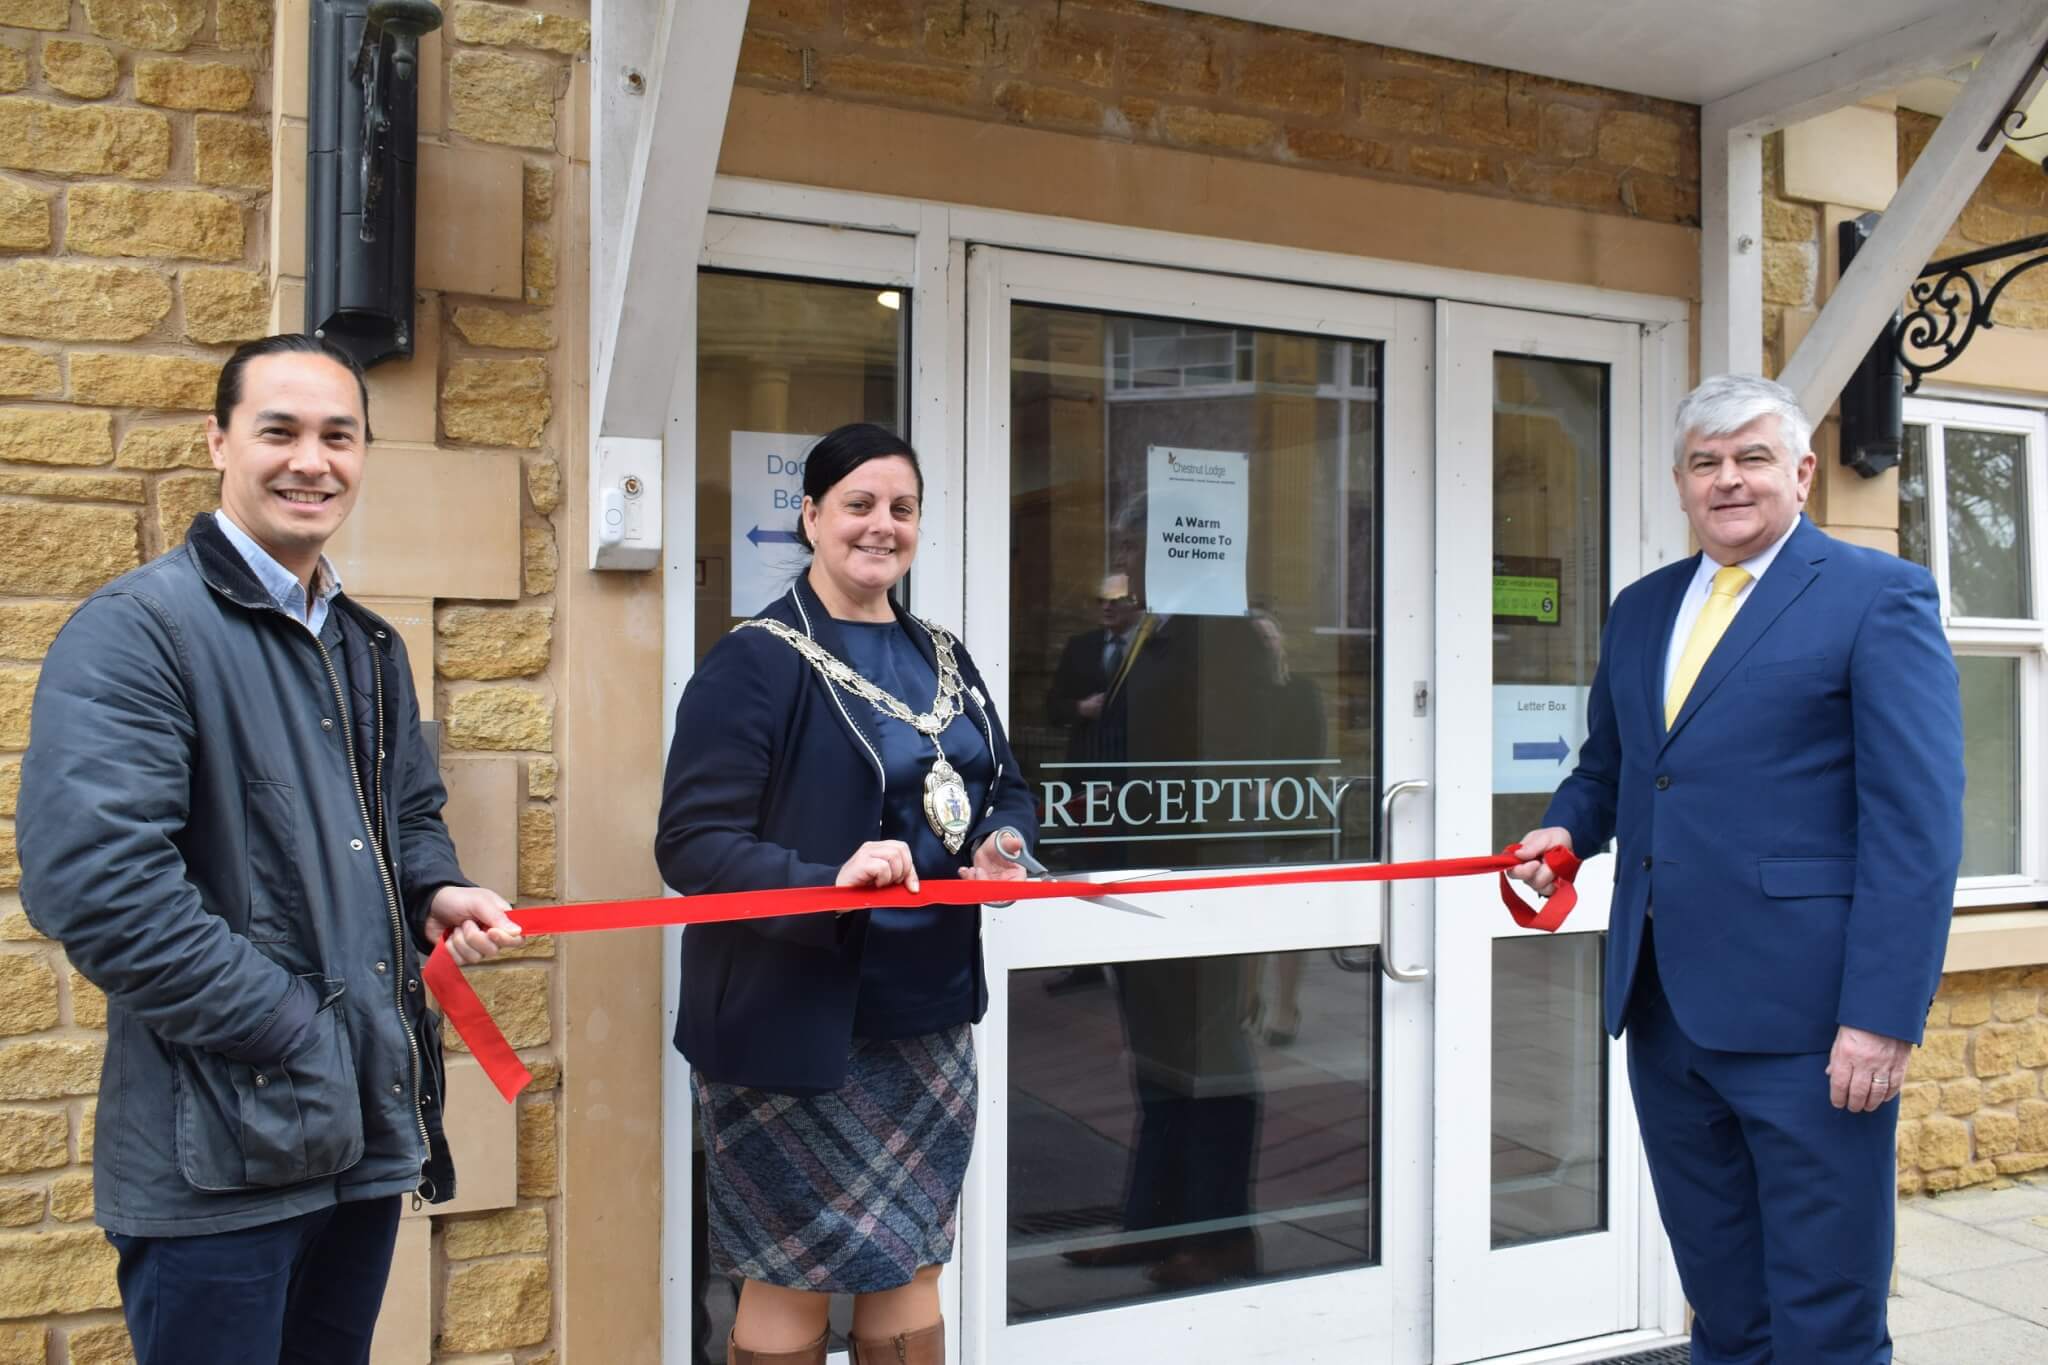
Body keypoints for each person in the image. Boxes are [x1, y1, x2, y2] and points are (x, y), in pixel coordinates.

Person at [15, 334, 522, 1365]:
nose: (311, 461)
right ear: (218, 442)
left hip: (362, 1143)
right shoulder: (138, 632)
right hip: (219, 1164)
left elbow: (404, 816)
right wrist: (297, 1030)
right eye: (278, 431)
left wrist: (435, 887)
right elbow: (100, 890)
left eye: (338, 436)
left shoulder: (364, 643)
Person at [1508, 374, 1963, 1363]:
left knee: (1823, 1314)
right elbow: (1613, 769)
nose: (1726, 480)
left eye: (1750, 457)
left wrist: (1881, 1017)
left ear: (1799, 473)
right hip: (1663, 1015)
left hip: (1811, 1028)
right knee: (1721, 1302)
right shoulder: (1640, 610)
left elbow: (1913, 826)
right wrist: (1562, 832)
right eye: (1703, 463)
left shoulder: (1875, 597)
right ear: (1677, 482)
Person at [657, 422, 1038, 1365]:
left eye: (901, 509)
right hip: (795, 1025)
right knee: (790, 1280)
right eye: (859, 505)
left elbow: (1004, 784)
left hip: (929, 1018)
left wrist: (1005, 839)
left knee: (912, 1266)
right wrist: (825, 880)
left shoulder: (945, 654)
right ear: (811, 514)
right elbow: (691, 844)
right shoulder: (755, 659)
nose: (882, 526)